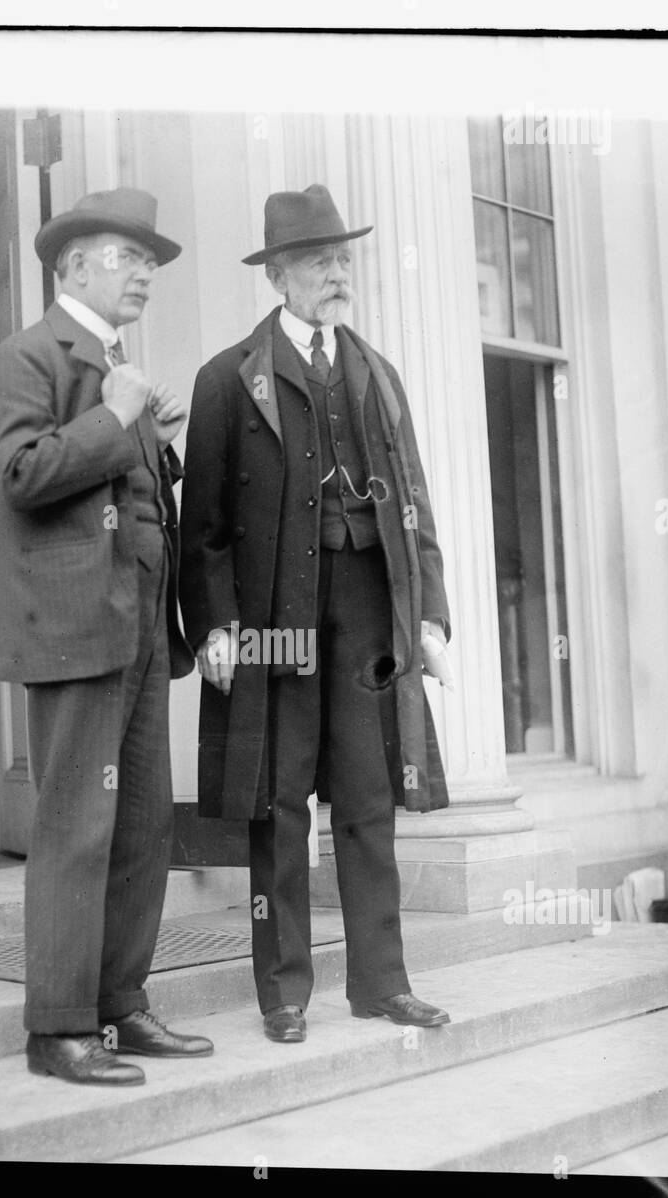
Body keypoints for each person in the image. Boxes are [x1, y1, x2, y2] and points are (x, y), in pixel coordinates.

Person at [179, 184, 454, 1044]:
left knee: (370, 798)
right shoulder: (227, 379)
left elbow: (412, 498)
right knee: (279, 801)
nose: (337, 276)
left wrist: (431, 619)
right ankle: (284, 993)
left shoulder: (377, 373)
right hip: (274, 617)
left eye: (342, 259)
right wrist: (217, 625)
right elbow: (208, 526)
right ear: (280, 278)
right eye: (317, 263)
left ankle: (380, 983)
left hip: (368, 612)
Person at [0, 188, 213, 1085]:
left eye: (150, 261)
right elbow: (21, 474)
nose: (146, 274)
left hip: (144, 623)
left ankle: (120, 1005)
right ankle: (58, 1030)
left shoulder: (119, 367)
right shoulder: (25, 355)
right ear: (73, 266)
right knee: (77, 827)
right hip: (75, 629)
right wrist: (117, 418)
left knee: (144, 825)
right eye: (128, 257)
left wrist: (151, 438)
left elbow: (125, 491)